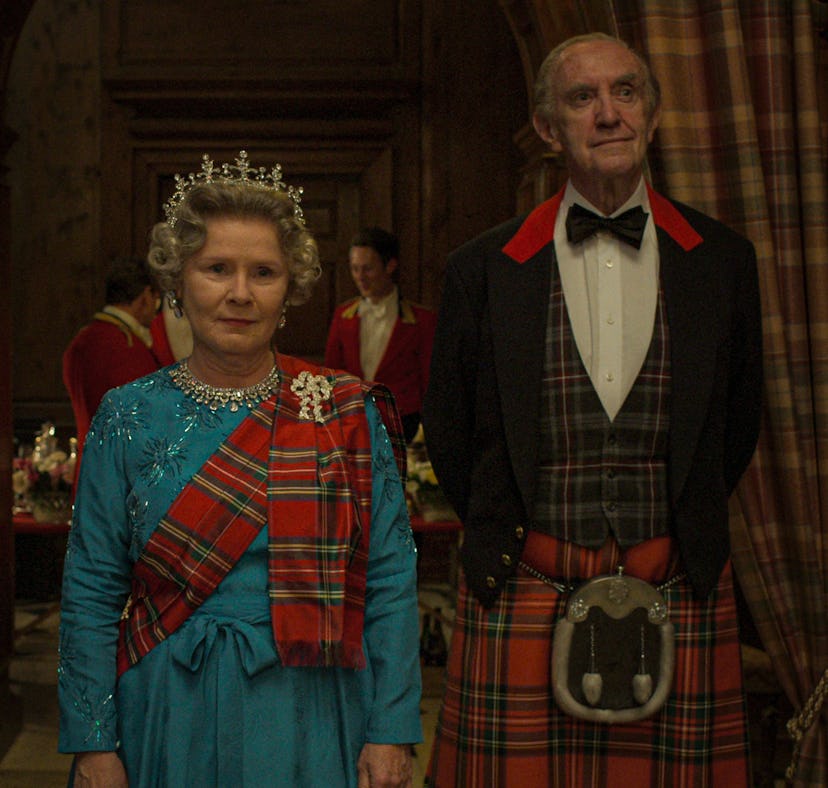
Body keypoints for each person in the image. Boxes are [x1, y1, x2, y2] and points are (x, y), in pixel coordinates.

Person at [423, 34, 762, 786]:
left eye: (626, 93)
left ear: (655, 112)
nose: (608, 114)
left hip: (677, 589)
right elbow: (450, 431)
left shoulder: (722, 260)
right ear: (548, 128)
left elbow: (736, 426)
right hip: (524, 586)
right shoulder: (482, 268)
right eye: (583, 98)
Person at [58, 151, 422, 787]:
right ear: (178, 280)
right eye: (216, 269)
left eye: (264, 272)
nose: (240, 294)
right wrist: (93, 741)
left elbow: (390, 576)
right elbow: (90, 587)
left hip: (312, 704)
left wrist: (391, 727)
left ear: (290, 288)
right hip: (167, 704)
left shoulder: (342, 411)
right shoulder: (127, 415)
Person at [325, 227, 436, 443]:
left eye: (367, 269)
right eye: (355, 268)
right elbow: (331, 376)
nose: (360, 277)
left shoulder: (422, 321)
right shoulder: (343, 316)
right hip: (352, 423)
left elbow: (429, 382)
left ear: (390, 266)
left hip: (405, 426)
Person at [62, 256, 162, 454]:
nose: (155, 310)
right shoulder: (126, 347)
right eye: (155, 299)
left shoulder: (82, 339)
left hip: (87, 465)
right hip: (117, 473)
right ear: (144, 297)